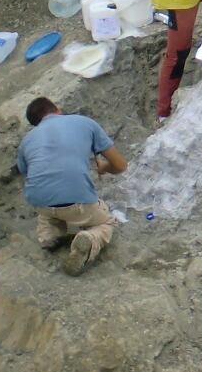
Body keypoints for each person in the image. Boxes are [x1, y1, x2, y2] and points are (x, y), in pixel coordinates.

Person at [16, 97, 127, 275]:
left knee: (48, 210)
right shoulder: (85, 123)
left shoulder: (27, 141)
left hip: (40, 202)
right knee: (106, 222)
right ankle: (90, 238)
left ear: (36, 125)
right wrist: (104, 167)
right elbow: (120, 165)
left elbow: (27, 174)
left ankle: (48, 236)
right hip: (78, 202)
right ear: (57, 109)